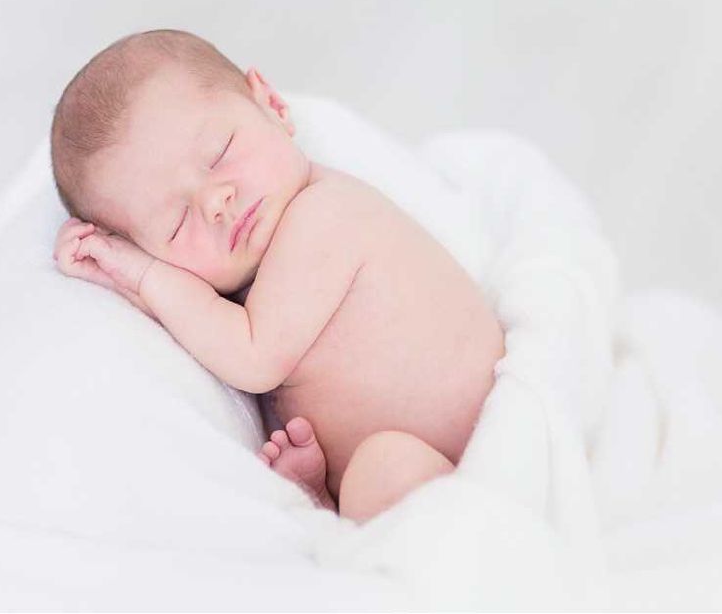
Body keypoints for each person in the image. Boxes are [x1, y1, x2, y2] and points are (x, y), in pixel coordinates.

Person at [51, 29, 505, 521]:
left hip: (479, 452)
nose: (215, 201)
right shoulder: (241, 285)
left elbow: (252, 355)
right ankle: (330, 504)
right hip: (419, 464)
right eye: (176, 223)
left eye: (219, 153)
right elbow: (199, 318)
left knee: (385, 470)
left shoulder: (323, 215)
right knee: (376, 473)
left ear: (271, 104)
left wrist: (140, 275)